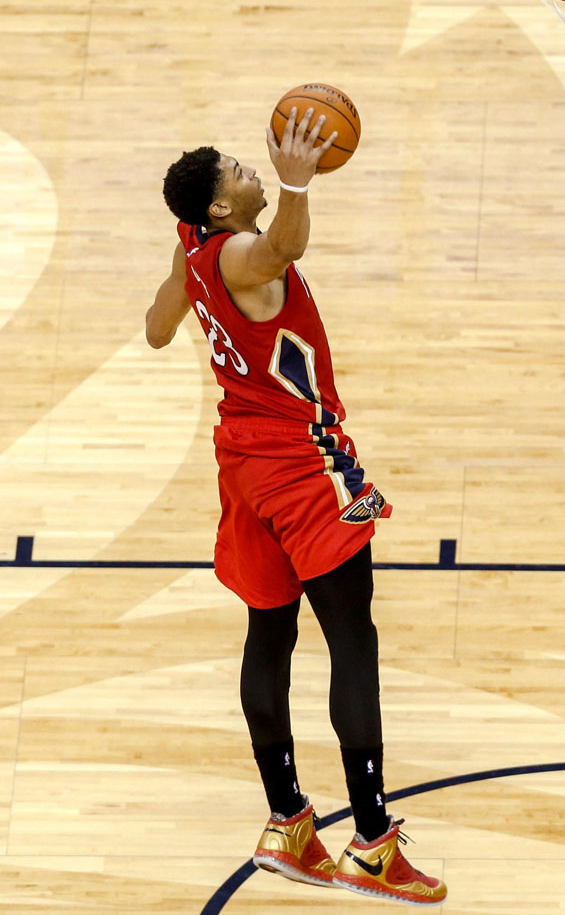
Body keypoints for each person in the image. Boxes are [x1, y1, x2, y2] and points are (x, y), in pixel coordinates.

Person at [146, 106, 447, 906]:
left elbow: (153, 329)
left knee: (268, 633)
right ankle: (374, 846)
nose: (249, 170)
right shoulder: (246, 256)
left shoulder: (197, 247)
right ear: (220, 208)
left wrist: (191, 293)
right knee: (353, 641)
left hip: (241, 463)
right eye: (239, 172)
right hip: (303, 467)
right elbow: (283, 246)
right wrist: (293, 184)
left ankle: (286, 823)